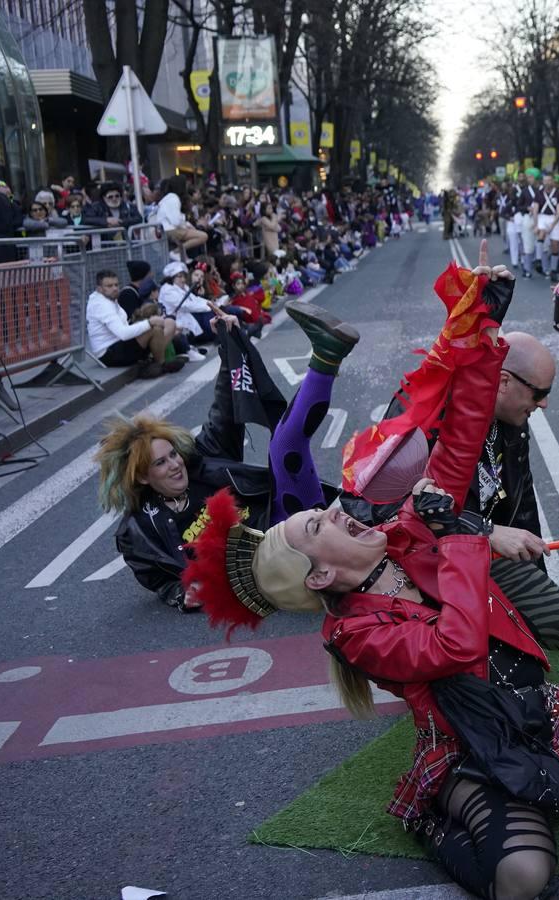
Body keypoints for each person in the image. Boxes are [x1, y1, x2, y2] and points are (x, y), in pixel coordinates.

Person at [184, 312, 559, 900]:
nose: (339, 510)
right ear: (321, 573)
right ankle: (434, 819)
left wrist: (481, 341)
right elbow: (456, 645)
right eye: (321, 522)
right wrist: (466, 535)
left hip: (535, 707)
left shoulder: (396, 533)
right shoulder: (354, 633)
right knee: (524, 878)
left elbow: (458, 451)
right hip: (469, 746)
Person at [95, 300, 355, 610]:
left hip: (285, 522)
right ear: (141, 476)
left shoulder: (202, 462)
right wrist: (181, 593)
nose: (176, 465)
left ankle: (326, 357)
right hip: (264, 573)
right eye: (161, 463)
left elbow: (224, 407)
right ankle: (326, 359)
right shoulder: (136, 533)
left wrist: (227, 346)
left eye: (173, 455)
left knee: (285, 448)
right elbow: (158, 579)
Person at [84, 269, 184, 378]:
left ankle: (150, 361)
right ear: (99, 288)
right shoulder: (101, 305)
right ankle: (161, 365)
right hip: (109, 353)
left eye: (116, 285)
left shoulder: (109, 298)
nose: (115, 288)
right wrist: (149, 322)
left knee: (170, 323)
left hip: (121, 344)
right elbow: (123, 333)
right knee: (154, 328)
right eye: (109, 286)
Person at [152, 176, 208, 255]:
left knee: (198, 233)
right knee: (203, 236)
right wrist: (186, 224)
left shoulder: (170, 197)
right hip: (170, 231)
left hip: (167, 230)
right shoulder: (174, 198)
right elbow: (176, 221)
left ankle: (177, 252)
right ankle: (176, 252)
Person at [532, 172, 559, 282]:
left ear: (553, 181)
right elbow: (535, 210)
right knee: (541, 233)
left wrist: (553, 224)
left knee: (555, 245)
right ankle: (538, 259)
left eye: (549, 180)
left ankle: (554, 270)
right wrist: (536, 224)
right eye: (545, 180)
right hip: (542, 217)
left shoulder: (558, 194)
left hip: (553, 218)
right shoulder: (539, 193)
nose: (547, 182)